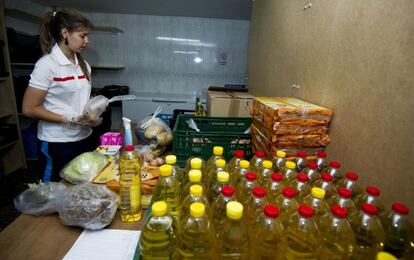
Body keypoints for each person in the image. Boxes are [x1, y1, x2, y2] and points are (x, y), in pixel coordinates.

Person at [22, 9, 102, 182]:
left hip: (84, 137)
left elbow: (79, 102)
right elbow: (29, 109)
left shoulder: (84, 66)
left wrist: (93, 118)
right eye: (83, 36)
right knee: (54, 191)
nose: (87, 41)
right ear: (65, 33)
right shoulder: (47, 65)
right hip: (57, 142)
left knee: (80, 188)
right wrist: (68, 118)